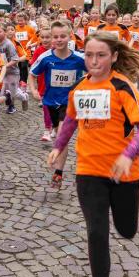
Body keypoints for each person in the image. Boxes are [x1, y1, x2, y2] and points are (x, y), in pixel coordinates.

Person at [46, 31, 139, 277]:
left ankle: (127, 218)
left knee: (126, 229)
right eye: (89, 55)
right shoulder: (79, 88)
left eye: (101, 55)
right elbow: (71, 120)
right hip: (88, 170)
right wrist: (58, 146)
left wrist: (128, 155)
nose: (94, 61)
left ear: (114, 56)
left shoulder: (122, 87)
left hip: (124, 173)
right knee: (96, 232)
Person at [28, 21, 86, 188]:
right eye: (56, 37)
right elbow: (32, 74)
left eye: (63, 36)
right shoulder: (45, 57)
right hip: (50, 102)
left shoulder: (79, 58)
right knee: (57, 132)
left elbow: (95, 71)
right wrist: (33, 90)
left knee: (62, 135)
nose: (59, 40)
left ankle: (58, 172)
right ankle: (58, 166)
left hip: (70, 103)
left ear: (70, 37)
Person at [0, 23, 21, 114]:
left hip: (12, 71)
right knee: (3, 91)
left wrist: (5, 66)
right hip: (1, 73)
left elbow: (15, 59)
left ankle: (17, 101)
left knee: (12, 91)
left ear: (5, 32)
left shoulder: (9, 44)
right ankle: (8, 106)